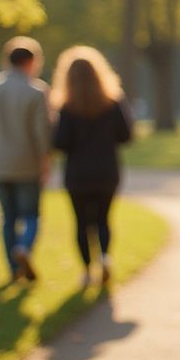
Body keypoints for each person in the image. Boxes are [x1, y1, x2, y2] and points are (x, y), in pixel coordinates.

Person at [51, 46, 133, 289]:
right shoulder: (112, 102)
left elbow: (59, 143)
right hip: (107, 171)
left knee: (81, 223)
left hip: (77, 174)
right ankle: (105, 258)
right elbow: (126, 135)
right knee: (103, 219)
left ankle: (87, 270)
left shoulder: (66, 108)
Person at [0, 36, 52, 283]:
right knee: (31, 215)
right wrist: (46, 161)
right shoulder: (36, 92)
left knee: (8, 218)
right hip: (27, 165)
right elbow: (42, 133)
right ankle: (24, 248)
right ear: (31, 61)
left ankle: (12, 268)